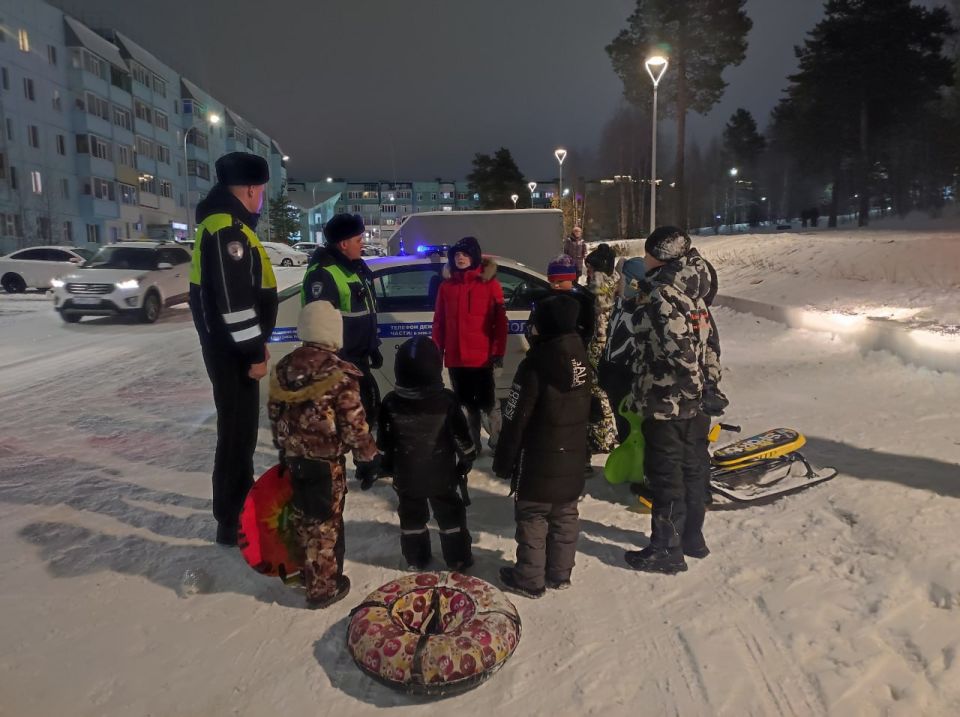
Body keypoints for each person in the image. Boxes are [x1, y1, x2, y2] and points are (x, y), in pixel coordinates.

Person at [189, 151, 278, 546]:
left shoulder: (225, 224)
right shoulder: (227, 229)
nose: (262, 197)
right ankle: (232, 518)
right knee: (236, 435)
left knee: (238, 434)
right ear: (249, 188)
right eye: (260, 190)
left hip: (230, 351)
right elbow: (233, 302)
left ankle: (236, 508)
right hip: (232, 354)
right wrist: (254, 352)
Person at [268, 300, 379, 608]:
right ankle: (323, 588)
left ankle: (306, 573)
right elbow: (353, 425)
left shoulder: (285, 366)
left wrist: (287, 445)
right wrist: (368, 454)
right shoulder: (338, 374)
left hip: (293, 459)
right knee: (326, 526)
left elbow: (275, 412)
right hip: (325, 463)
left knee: (303, 518)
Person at [623, 226, 718, 575]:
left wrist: (693, 389)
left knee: (667, 476)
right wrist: (708, 389)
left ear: (660, 256)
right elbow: (711, 346)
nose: (644, 258)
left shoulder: (663, 294)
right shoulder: (695, 290)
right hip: (694, 406)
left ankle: (666, 549)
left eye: (648, 253)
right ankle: (693, 539)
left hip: (668, 402)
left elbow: (681, 351)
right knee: (694, 470)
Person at [493, 294, 591, 599]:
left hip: (538, 459)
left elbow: (515, 417)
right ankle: (560, 573)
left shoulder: (535, 365)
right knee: (564, 514)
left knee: (533, 516)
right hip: (572, 457)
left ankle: (529, 578)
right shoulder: (581, 358)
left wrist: (503, 460)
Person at [378, 336, 477, 571]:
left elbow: (384, 442)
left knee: (412, 518)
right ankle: (458, 557)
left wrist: (387, 465)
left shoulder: (390, 403)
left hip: (407, 477)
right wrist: (467, 459)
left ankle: (416, 557)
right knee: (451, 516)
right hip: (442, 476)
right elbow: (462, 438)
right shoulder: (446, 401)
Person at [302, 213, 382, 430]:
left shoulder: (355, 268)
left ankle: (364, 461)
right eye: (359, 239)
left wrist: (371, 346)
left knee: (366, 416)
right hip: (340, 364)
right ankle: (359, 462)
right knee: (351, 423)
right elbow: (319, 329)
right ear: (344, 244)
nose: (363, 243)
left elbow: (364, 311)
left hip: (358, 358)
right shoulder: (323, 275)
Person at [431, 236, 507, 454]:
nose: (460, 258)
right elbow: (439, 322)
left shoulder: (490, 285)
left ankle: (498, 442)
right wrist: (438, 349)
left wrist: (498, 352)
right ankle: (472, 445)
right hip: (456, 358)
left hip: (483, 358)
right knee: (465, 406)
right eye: (456, 255)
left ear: (474, 257)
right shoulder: (446, 287)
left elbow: (500, 324)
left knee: (489, 404)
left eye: (464, 254)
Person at [597, 257, 646, 443]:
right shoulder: (620, 303)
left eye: (623, 279)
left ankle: (637, 468)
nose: (618, 283)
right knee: (623, 427)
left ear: (633, 282)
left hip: (629, 379)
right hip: (614, 376)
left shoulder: (642, 310)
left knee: (632, 431)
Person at [584, 244, 620, 454]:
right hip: (609, 346)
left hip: (599, 346)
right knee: (604, 393)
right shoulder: (616, 282)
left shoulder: (599, 286)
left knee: (598, 393)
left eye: (589, 269)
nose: (587, 273)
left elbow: (599, 318)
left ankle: (603, 436)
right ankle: (606, 433)